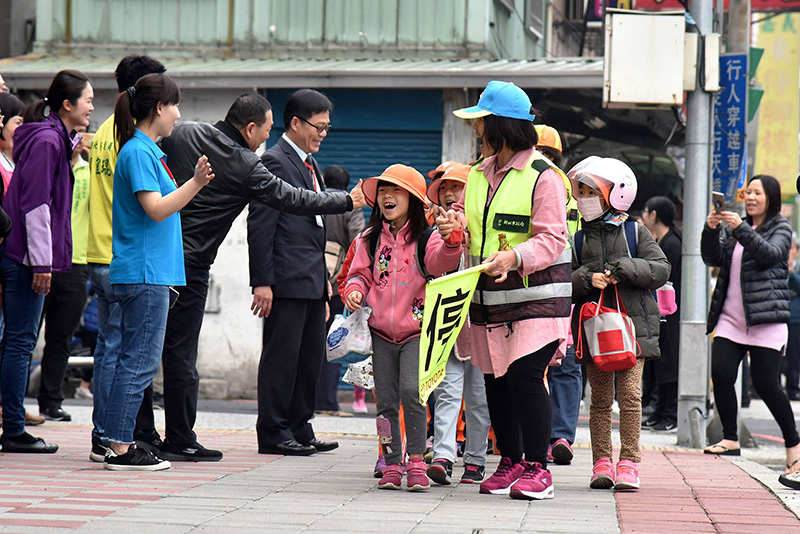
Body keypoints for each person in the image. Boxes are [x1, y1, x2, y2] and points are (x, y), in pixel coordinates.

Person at [132, 93, 363, 462]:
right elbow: (289, 202)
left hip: (159, 254)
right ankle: (177, 436)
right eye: (265, 132)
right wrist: (348, 201)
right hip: (189, 265)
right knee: (179, 354)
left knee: (145, 349)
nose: (265, 141)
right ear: (251, 128)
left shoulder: (185, 133)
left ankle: (142, 433)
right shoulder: (247, 163)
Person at [452, 80, 573, 500]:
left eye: (481, 123)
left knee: (523, 376)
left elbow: (553, 238)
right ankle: (511, 461)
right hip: (488, 301)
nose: (476, 132)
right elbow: (473, 230)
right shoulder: (477, 176)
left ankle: (539, 469)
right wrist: (456, 231)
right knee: (494, 381)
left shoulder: (545, 177)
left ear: (499, 126)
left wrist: (514, 258)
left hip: (538, 299)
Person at [102, 72, 215, 471]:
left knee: (135, 361)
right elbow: (156, 208)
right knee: (138, 364)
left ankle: (117, 441)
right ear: (158, 108)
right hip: (144, 273)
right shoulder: (138, 152)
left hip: (150, 273)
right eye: (175, 105)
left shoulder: (147, 151)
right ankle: (119, 446)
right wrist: (196, 183)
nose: (179, 114)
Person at [343, 164, 463, 491]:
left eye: (395, 190)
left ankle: (417, 461)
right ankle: (392, 462)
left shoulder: (428, 239)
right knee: (384, 403)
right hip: (380, 334)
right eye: (383, 190)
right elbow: (359, 274)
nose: (387, 196)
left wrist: (452, 240)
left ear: (411, 198)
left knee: (412, 393)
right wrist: (354, 289)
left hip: (416, 332)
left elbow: (443, 261)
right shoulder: (368, 239)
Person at [247, 89, 350, 456]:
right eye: (318, 126)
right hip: (285, 280)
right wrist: (263, 281)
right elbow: (261, 225)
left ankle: (299, 426)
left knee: (308, 358)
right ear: (295, 123)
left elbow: (316, 228)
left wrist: (324, 287)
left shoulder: (308, 164)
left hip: (310, 279)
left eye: (327, 127)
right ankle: (273, 431)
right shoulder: (276, 162)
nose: (323, 133)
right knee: (282, 358)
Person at [0, 69, 94, 453]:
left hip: (27, 254)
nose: (91, 107)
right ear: (67, 105)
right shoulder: (47, 142)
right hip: (24, 256)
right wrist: (41, 263)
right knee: (20, 343)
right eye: (86, 100)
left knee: (17, 342)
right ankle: (14, 429)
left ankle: (13, 424)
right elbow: (36, 205)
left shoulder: (55, 140)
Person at [569, 156, 669, 491]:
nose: (582, 197)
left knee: (629, 395)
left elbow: (660, 269)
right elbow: (563, 281)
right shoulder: (578, 239)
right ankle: (601, 463)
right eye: (579, 190)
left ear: (615, 194)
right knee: (598, 399)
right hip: (595, 332)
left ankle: (628, 462)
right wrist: (586, 277)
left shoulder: (635, 231)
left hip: (633, 331)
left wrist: (626, 268)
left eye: (590, 191)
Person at [86, 55, 167, 463]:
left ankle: (105, 434)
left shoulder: (103, 130)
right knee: (128, 354)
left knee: (110, 349)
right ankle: (114, 437)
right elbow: (148, 204)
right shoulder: (134, 141)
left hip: (101, 250)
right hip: (125, 255)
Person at [701, 175, 800, 478]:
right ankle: (730, 438)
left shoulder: (780, 227)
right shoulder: (735, 229)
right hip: (732, 320)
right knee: (721, 372)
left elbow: (770, 255)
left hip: (766, 319)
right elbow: (712, 258)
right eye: (748, 193)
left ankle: (794, 449)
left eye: (757, 193)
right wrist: (711, 229)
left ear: (770, 197)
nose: (751, 198)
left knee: (768, 385)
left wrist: (740, 228)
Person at [423, 161, 491, 485]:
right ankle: (443, 456)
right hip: (447, 323)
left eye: (457, 187)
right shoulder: (435, 230)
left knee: (479, 396)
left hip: (481, 323)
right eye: (445, 188)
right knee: (447, 392)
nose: (450, 194)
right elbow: (434, 263)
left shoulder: (486, 229)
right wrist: (450, 241)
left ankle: (476, 459)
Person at [534, 124, 583, 466]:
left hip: (544, 287)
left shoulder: (533, 185)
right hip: (563, 287)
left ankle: (554, 436)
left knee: (548, 365)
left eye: (547, 155)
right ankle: (556, 435)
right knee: (560, 365)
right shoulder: (573, 192)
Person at [36, 133, 93, 422]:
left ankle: (50, 401)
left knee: (61, 338)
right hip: (41, 259)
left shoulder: (89, 171)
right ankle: (10, 403)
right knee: (23, 335)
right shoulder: (49, 165)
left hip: (76, 263)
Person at [315, 164, 364, 417]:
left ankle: (309, 400)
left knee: (312, 342)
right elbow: (358, 240)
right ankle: (327, 402)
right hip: (336, 283)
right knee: (333, 341)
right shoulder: (349, 206)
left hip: (312, 278)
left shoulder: (317, 199)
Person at [640, 196, 682, 432]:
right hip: (662, 312)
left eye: (645, 212)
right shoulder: (663, 241)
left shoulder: (673, 244)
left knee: (669, 361)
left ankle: (670, 412)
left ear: (653, 215)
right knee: (660, 361)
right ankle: (660, 410)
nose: (644, 216)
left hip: (672, 313)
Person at [785, 235, 800, 401]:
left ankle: (793, 388)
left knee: (794, 355)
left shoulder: (797, 269)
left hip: (795, 318)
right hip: (779, 316)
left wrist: (790, 272)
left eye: (792, 248)